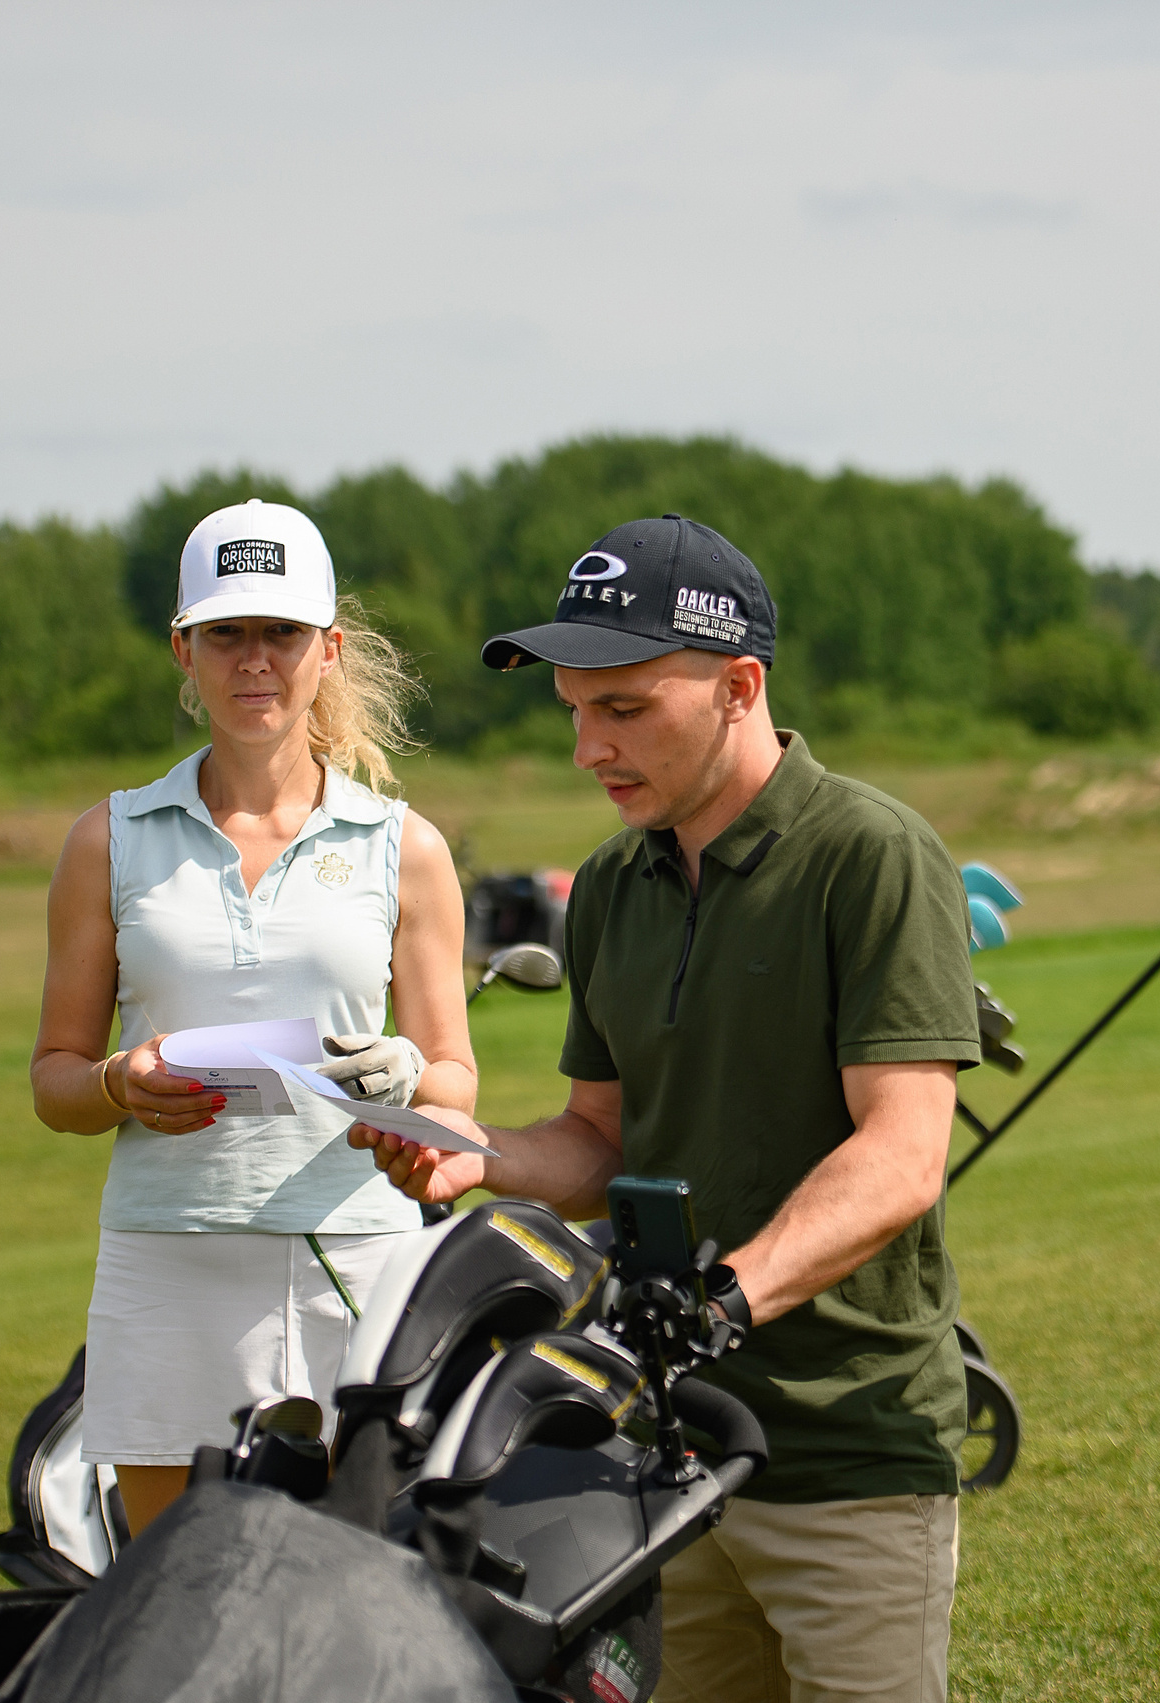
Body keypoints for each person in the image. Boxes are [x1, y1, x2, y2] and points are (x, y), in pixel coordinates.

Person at [353, 514, 981, 1703]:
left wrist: (725, 1301)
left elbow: (901, 1154)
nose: (590, 745)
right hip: (664, 1448)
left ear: (739, 685)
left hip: (849, 1440)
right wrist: (470, 1156)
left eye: (626, 707)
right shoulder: (605, 885)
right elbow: (600, 1137)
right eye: (575, 710)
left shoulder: (872, 854)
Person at [29, 499, 475, 1537]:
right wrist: (113, 1083)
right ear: (182, 648)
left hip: (358, 1246)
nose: (254, 661)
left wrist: (404, 1073)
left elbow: (455, 1078)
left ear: (328, 647)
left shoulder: (403, 845)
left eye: (280, 633)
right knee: (171, 1582)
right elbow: (53, 1076)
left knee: (363, 1584)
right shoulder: (108, 837)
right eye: (226, 633)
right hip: (168, 1246)